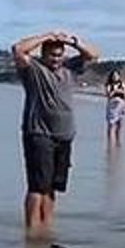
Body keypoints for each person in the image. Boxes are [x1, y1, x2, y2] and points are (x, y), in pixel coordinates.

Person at [11, 30, 101, 237]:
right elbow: (18, 49)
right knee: (37, 187)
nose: (56, 59)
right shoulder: (34, 69)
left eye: (60, 54)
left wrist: (72, 41)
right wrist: (46, 36)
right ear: (43, 54)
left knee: (52, 187)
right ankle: (32, 231)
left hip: (64, 134)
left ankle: (47, 227)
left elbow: (94, 55)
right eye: (52, 54)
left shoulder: (70, 68)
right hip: (39, 133)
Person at [104, 69, 125, 145]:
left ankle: (118, 139)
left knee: (119, 124)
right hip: (112, 106)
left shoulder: (122, 84)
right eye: (114, 76)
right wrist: (115, 91)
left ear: (119, 76)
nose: (115, 77)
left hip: (121, 106)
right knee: (111, 124)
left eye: (116, 75)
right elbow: (109, 95)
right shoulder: (108, 85)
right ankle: (109, 141)